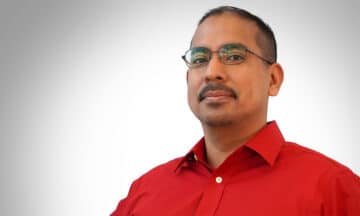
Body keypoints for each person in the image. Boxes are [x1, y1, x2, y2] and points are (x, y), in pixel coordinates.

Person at [111, 6, 360, 215]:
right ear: (188, 80)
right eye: (199, 58)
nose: (211, 72)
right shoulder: (145, 192)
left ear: (273, 80)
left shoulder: (334, 189)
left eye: (233, 56)